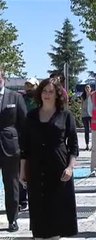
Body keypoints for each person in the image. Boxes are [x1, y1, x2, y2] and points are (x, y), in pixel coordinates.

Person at [20, 78, 79, 239]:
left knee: (57, 217)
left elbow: (73, 146)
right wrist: (22, 170)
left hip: (59, 170)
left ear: (57, 94)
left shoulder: (66, 116)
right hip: (36, 170)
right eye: (44, 91)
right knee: (39, 215)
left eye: (51, 91)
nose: (47, 94)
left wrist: (70, 167)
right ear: (40, 93)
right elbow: (25, 146)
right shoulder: (31, 116)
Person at [0, 67, 27, 232]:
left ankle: (12, 219)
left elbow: (24, 124)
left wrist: (24, 149)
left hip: (10, 147)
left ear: (2, 76)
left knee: (11, 184)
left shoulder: (15, 97)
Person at [19, 77, 39, 212]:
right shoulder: (21, 99)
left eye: (31, 85)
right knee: (21, 168)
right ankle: (22, 200)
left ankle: (35, 198)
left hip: (37, 138)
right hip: (23, 137)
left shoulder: (40, 100)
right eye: (27, 85)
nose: (28, 88)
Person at [81, 85, 92, 151]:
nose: (87, 89)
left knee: (93, 131)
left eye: (88, 87)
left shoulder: (92, 96)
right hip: (84, 115)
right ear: (84, 89)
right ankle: (87, 145)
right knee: (86, 130)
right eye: (86, 88)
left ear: (90, 89)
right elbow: (82, 105)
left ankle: (93, 145)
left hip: (92, 115)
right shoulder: (83, 96)